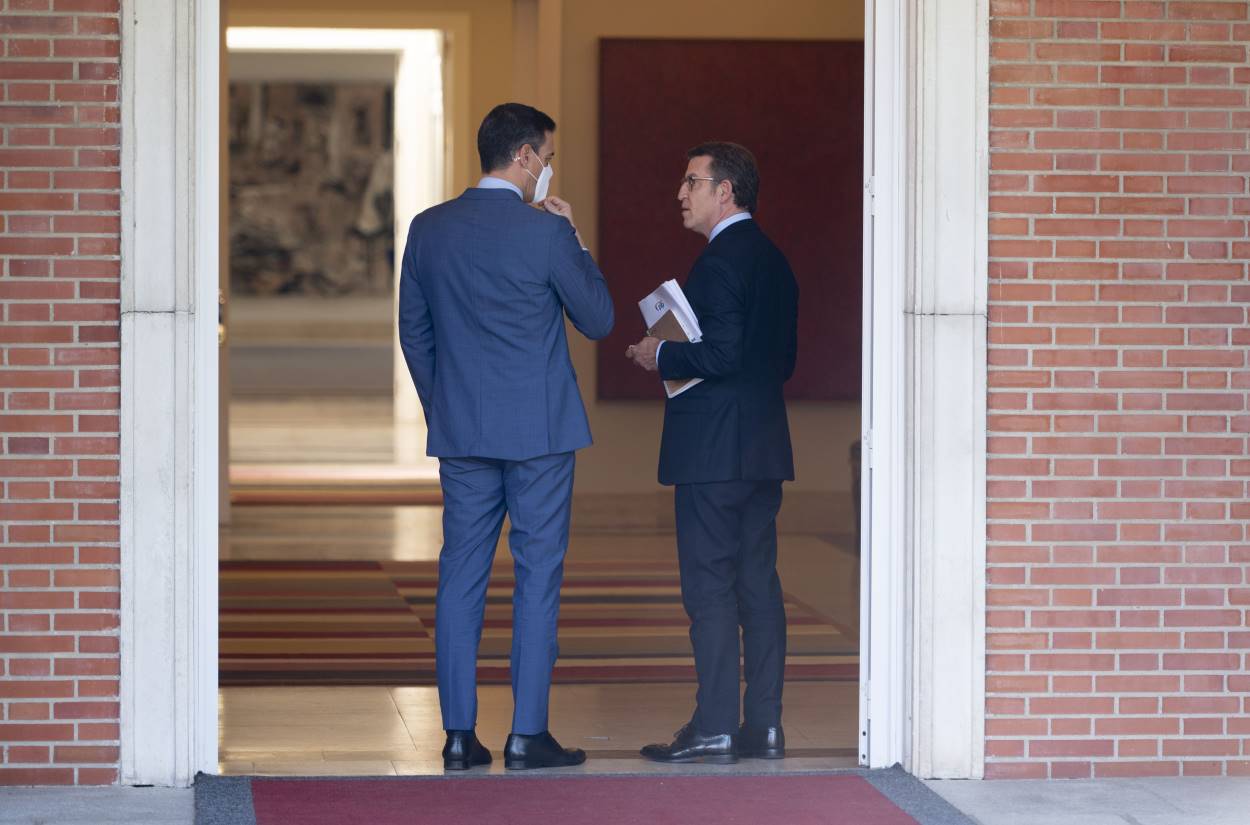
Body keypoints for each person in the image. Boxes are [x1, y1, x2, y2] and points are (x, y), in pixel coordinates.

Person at [398, 102, 614, 771]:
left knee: (460, 575)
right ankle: (527, 734)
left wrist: (448, 406)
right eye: (546, 158)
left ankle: (459, 736)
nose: (548, 170)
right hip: (541, 432)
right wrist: (573, 234)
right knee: (536, 577)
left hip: (463, 432)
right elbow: (599, 318)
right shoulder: (546, 235)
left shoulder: (429, 228)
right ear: (523, 156)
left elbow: (415, 329)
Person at [626, 142, 798, 764]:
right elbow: (778, 362)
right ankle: (765, 726)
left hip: (714, 455)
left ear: (725, 191)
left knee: (710, 591)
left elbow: (721, 354)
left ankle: (715, 725)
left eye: (692, 181)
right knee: (759, 586)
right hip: (762, 449)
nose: (681, 193)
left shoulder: (720, 262)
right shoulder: (774, 260)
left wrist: (660, 354)